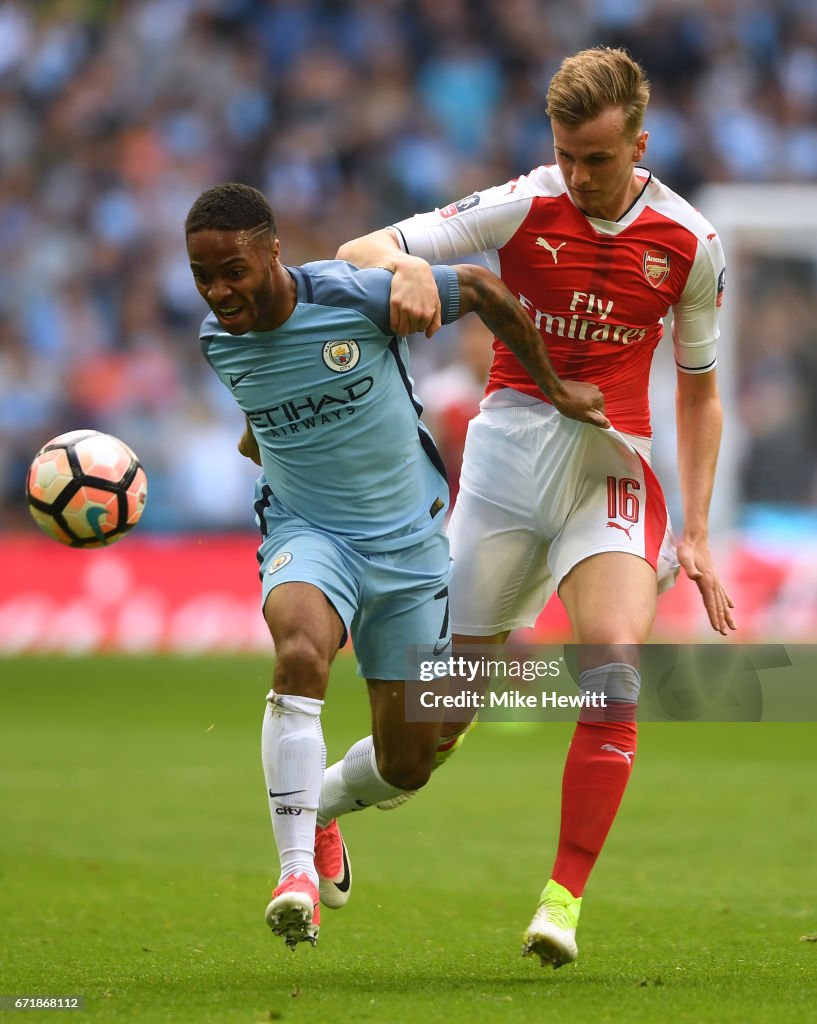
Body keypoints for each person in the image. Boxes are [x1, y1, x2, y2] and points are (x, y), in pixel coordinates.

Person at [337, 46, 737, 967]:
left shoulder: (691, 245)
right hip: (507, 467)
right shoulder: (525, 202)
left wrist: (703, 534)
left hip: (611, 468)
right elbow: (364, 249)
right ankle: (313, 811)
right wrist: (403, 270)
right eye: (565, 155)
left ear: (639, 143)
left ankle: (561, 900)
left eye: (597, 159)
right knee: (426, 739)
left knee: (612, 669)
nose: (578, 176)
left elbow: (701, 391)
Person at [184, 182, 607, 950]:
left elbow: (481, 287)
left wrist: (551, 387)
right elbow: (263, 417)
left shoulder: (350, 299)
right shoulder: (218, 339)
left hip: (409, 549)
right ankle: (293, 877)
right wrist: (263, 448)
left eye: (232, 271)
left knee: (409, 762)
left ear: (272, 252)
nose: (219, 292)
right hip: (308, 531)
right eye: (202, 276)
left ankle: (317, 816)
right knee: (301, 652)